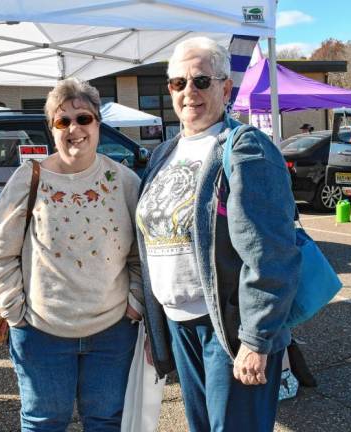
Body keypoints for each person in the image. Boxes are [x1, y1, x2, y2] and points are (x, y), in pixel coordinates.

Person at [136, 37, 301, 431]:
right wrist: (154, 325)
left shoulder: (246, 147)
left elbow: (272, 252)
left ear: (226, 88)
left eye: (201, 81)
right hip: (180, 325)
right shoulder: (165, 152)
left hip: (227, 327)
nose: (188, 92)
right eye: (178, 83)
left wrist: (257, 339)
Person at [0, 77, 143, 431]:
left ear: (98, 123)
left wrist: (135, 302)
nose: (75, 129)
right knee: (44, 423)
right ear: (51, 129)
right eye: (63, 121)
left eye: (83, 118)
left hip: (112, 332)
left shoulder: (125, 181)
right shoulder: (29, 179)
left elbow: (140, 254)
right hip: (42, 331)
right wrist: (14, 311)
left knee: (105, 422)